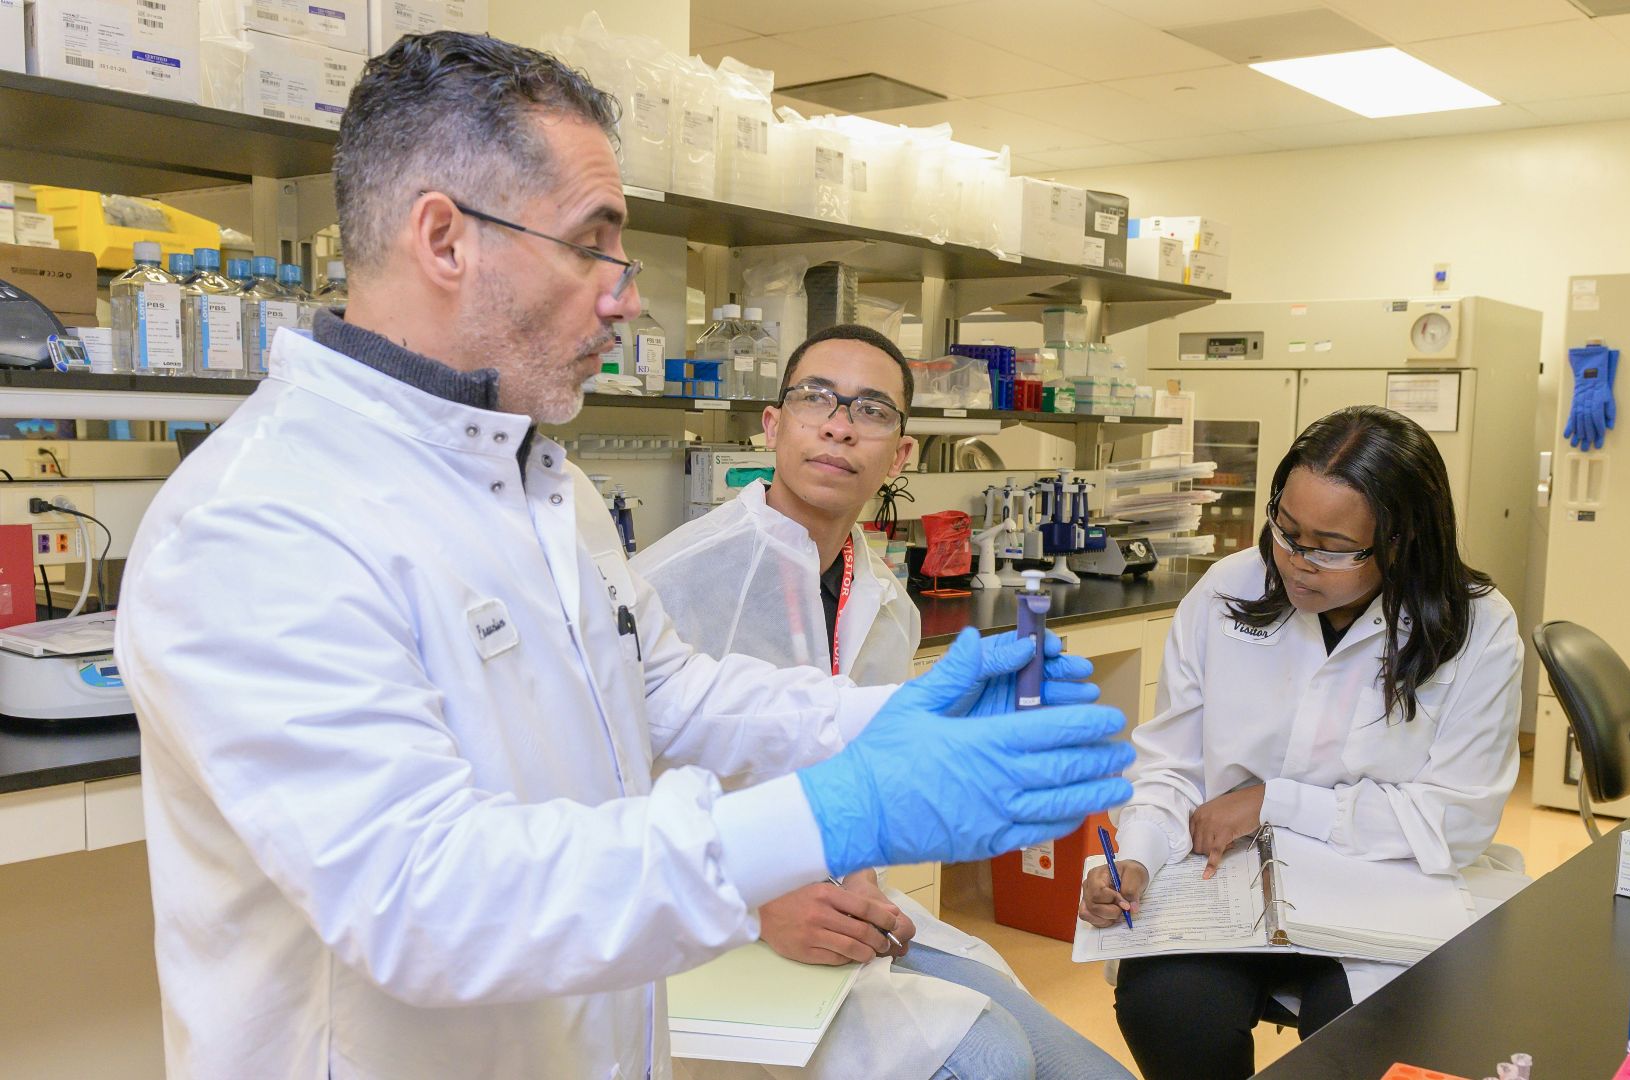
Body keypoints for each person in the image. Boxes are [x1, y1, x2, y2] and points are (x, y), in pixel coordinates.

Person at [114, 32, 1133, 1080]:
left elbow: (668, 695)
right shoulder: (260, 522)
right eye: (593, 243)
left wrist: (894, 721)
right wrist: (832, 814)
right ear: (445, 238)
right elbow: (426, 897)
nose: (627, 295)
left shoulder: (537, 483)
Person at [626, 323, 1133, 1080]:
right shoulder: (670, 582)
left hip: (850, 910)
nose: (837, 423)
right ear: (773, 426)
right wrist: (755, 904)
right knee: (992, 1062)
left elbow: (872, 774)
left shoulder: (886, 598)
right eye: (815, 399)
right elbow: (606, 801)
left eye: (870, 409)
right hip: (702, 929)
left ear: (901, 454)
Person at [1078, 405, 1524, 1080]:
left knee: (1361, 1043)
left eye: (1330, 546)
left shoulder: (1478, 627)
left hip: (1382, 890)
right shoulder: (1228, 589)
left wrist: (1273, 803)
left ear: (1401, 540)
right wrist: (1134, 856)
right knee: (1167, 1010)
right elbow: (1172, 766)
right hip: (1226, 885)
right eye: (1285, 530)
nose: (1296, 561)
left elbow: (1453, 820)